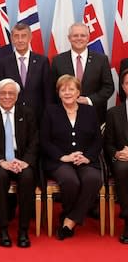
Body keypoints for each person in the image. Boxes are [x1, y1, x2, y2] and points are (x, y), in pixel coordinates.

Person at [41, 74, 102, 240]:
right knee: (70, 180)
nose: (67, 92)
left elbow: (97, 139)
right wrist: (63, 157)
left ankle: (69, 220)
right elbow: (44, 141)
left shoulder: (89, 111)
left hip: (85, 160)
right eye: (63, 89)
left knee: (93, 179)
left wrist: (87, 157)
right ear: (58, 93)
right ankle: (73, 215)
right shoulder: (50, 111)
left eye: (71, 89)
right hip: (59, 161)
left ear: (78, 92)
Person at [0, 78, 38, 248]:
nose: (7, 96)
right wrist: (1, 161)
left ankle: (23, 230)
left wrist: (26, 161)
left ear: (17, 96)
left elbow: (34, 141)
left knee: (28, 177)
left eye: (11, 93)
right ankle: (3, 228)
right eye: (3, 93)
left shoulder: (28, 113)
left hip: (22, 161)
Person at [51, 22, 114, 123]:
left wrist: (89, 100)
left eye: (83, 35)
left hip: (94, 114)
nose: (79, 38)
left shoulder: (101, 60)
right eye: (75, 35)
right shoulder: (58, 60)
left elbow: (109, 87)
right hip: (64, 115)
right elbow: (53, 89)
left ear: (88, 38)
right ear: (69, 38)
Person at [0, 23, 52, 120]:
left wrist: (47, 115)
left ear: (30, 37)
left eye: (23, 36)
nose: (20, 40)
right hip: (12, 115)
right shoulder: (3, 63)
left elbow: (47, 92)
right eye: (16, 36)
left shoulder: (42, 61)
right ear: (12, 39)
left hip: (37, 116)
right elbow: (0, 91)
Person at [104, 68, 128, 244]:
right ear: (123, 87)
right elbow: (108, 143)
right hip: (121, 160)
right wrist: (116, 153)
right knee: (121, 168)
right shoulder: (113, 113)